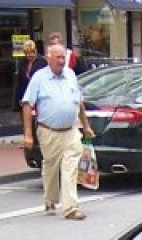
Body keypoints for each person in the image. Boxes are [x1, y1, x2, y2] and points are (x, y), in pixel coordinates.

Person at [22, 42, 95, 221]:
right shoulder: (39, 78)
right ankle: (50, 199)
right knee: (51, 166)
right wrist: (28, 134)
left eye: (64, 57)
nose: (62, 61)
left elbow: (79, 102)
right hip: (49, 131)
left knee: (69, 168)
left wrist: (85, 126)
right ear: (48, 58)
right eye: (58, 57)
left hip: (71, 131)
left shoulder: (70, 75)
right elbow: (26, 104)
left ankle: (70, 208)